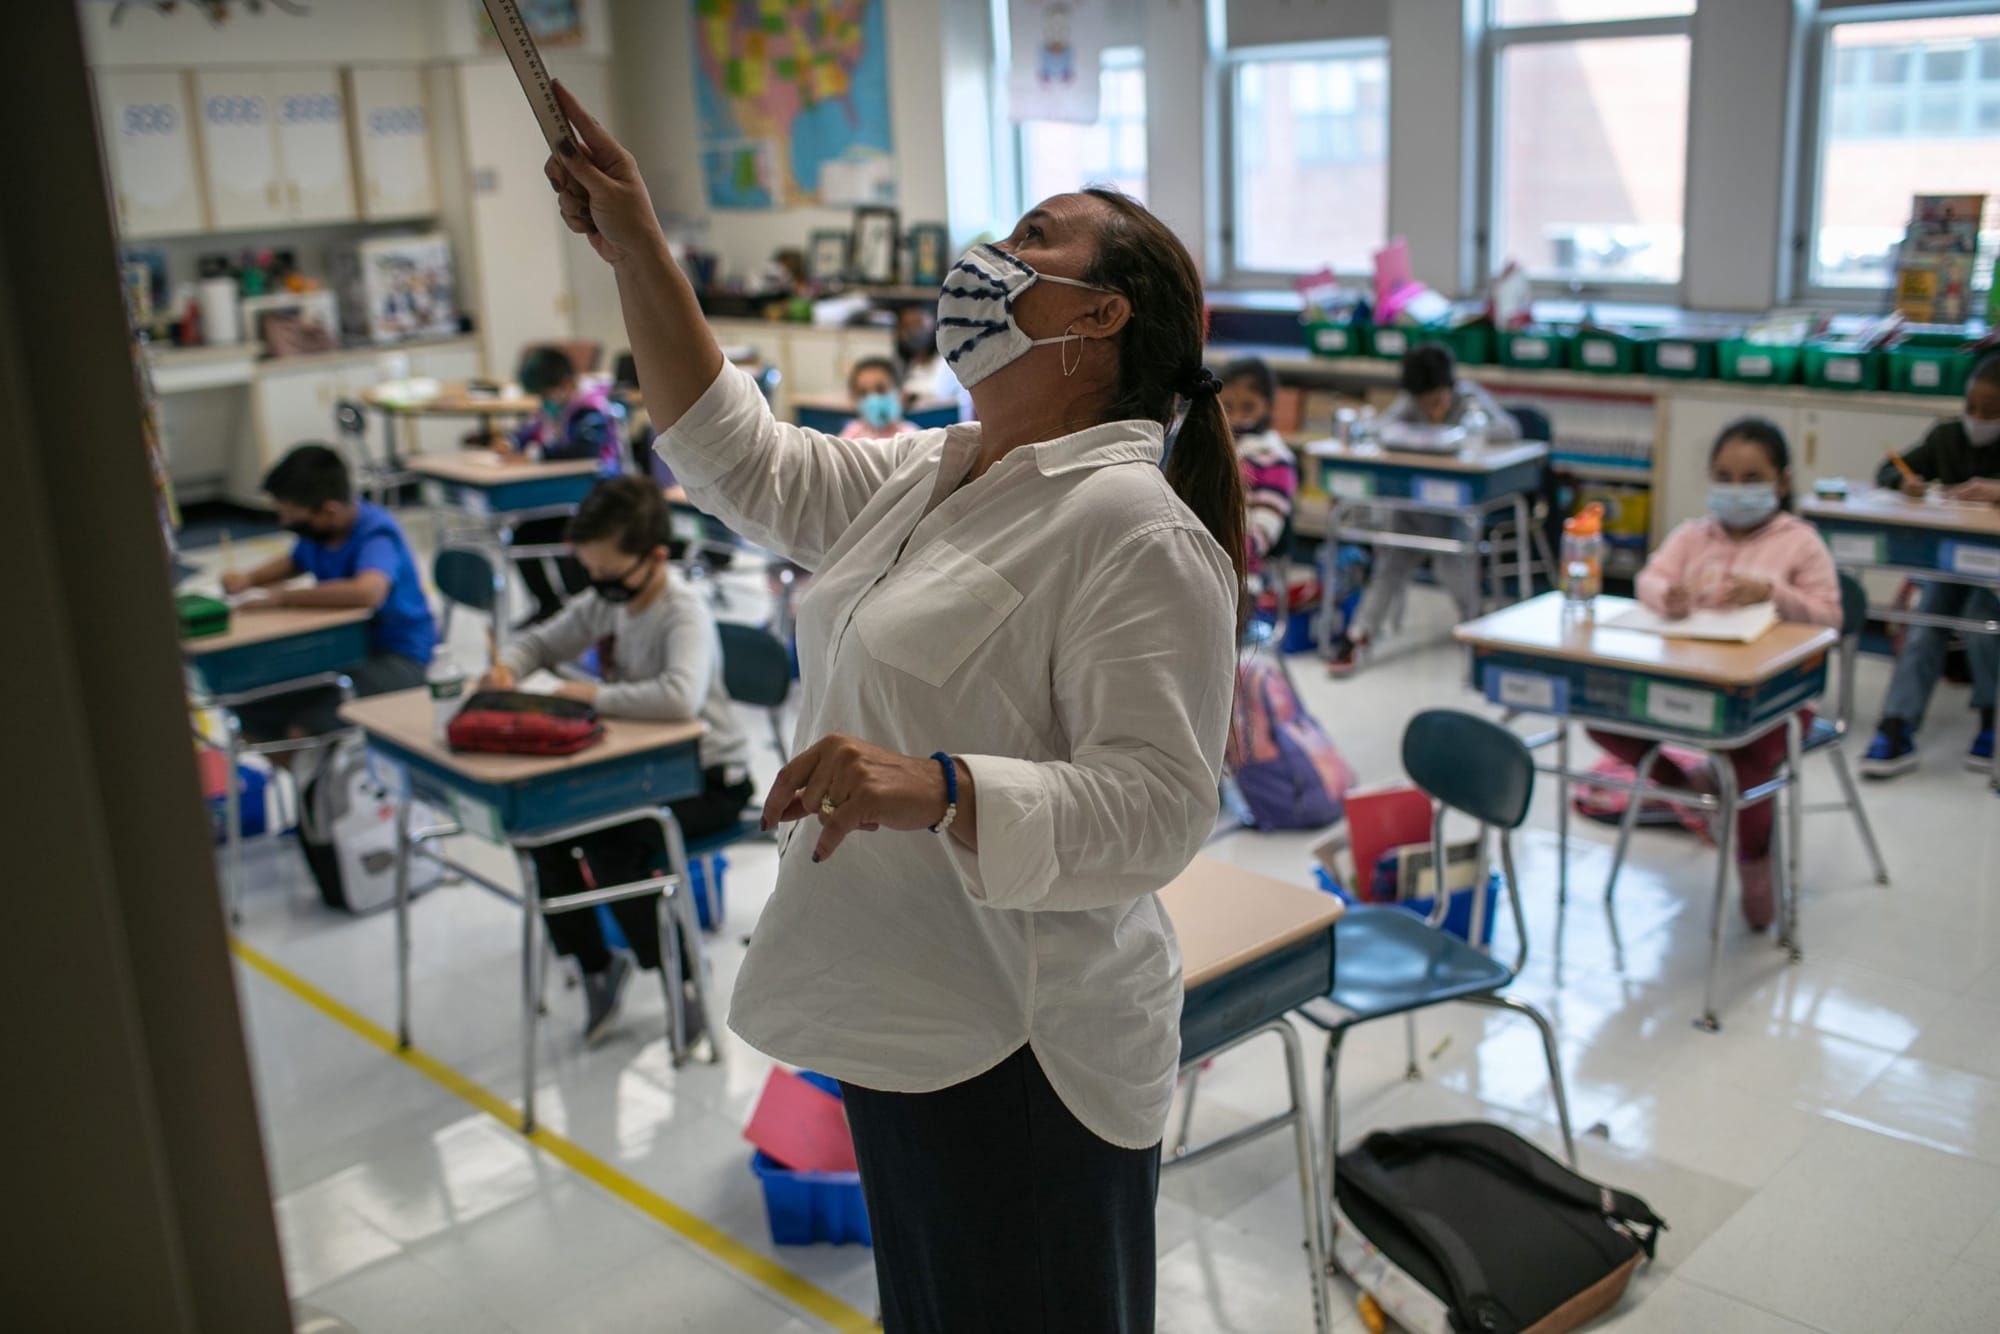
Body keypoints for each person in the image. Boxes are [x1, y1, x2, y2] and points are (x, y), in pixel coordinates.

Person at [544, 82, 1242, 1333]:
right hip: (907, 1008)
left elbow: (1158, 811)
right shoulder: (932, 468)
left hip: (1022, 1046)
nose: (989, 256)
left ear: (1097, 313)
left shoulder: (1134, 529)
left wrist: (944, 785)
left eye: (1032, 237)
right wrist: (638, 245)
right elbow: (732, 454)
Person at [478, 477, 753, 1043]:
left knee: (610, 843)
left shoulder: (682, 609)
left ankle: (680, 980)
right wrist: (506, 670)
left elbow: (680, 697)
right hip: (638, 771)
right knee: (541, 830)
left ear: (655, 557)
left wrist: (588, 696)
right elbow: (540, 642)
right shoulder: (611, 599)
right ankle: (597, 965)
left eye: (608, 575)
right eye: (589, 574)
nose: (597, 587)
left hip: (708, 780)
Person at [1586, 418, 1838, 931]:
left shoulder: (1801, 543)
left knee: (1750, 761)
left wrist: (1774, 594)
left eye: (1752, 478)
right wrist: (1666, 596)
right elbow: (1649, 578)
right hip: (1690, 683)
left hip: (1773, 700)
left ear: (1782, 482)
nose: (1736, 490)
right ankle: (1696, 792)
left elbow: (1830, 617)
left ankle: (1754, 865)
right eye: (1724, 476)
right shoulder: (1693, 535)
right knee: (1599, 716)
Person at [1328, 342, 1521, 674]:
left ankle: (1474, 628)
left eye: (1437, 401)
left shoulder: (1470, 400)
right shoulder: (1409, 402)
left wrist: (1464, 432)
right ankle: (1358, 636)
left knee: (1451, 564)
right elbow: (1379, 430)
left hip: (1459, 511)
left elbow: (1510, 430)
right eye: (1423, 403)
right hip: (1418, 511)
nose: (1431, 410)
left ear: (1450, 388)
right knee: (1389, 560)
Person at [223, 444, 437, 742]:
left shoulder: (376, 533)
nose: (286, 524)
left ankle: (315, 784)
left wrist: (285, 598)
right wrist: (249, 579)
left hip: (397, 659)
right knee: (255, 709)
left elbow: (368, 592)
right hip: (344, 651)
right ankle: (292, 785)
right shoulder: (321, 533)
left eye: (293, 519)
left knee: (305, 725)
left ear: (329, 511)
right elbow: (294, 561)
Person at [1860, 351, 2000, 778]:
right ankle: (1897, 726)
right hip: (1952, 563)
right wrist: (1906, 482)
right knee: (1925, 623)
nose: (1978, 418)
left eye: (1991, 412)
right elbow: (1887, 469)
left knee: (1982, 620)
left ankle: (1991, 720)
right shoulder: (1947, 438)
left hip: (1994, 574)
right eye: (1972, 407)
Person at [501, 345, 626, 625]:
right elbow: (529, 432)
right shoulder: (553, 409)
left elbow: (585, 450)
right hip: (562, 497)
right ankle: (548, 605)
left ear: (566, 383)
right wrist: (512, 443)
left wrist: (535, 454)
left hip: (596, 497)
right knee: (522, 536)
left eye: (546, 394)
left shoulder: (591, 408)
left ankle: (585, 614)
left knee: (570, 542)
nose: (543, 402)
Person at [1216, 356, 1297, 583]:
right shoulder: (1212, 446)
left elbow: (1261, 536)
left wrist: (1209, 552)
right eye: (1228, 407)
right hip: (1203, 562)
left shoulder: (1276, 459)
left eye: (1248, 407)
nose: (1237, 418)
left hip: (1244, 575)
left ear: (1269, 406)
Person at [839, 355, 917, 439]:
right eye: (863, 393)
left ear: (900, 393)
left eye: (881, 389)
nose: (873, 399)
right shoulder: (851, 434)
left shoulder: (911, 435)